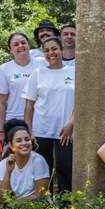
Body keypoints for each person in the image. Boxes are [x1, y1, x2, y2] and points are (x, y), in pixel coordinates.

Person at [23, 36, 75, 194]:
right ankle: (45, 202)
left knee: (65, 167)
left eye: (54, 49)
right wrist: (29, 131)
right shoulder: (38, 73)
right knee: (43, 169)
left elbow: (80, 102)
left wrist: (71, 124)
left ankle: (66, 203)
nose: (51, 53)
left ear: (61, 49)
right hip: (41, 130)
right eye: (46, 50)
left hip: (66, 131)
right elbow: (29, 105)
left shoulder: (74, 71)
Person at [0, 32, 46, 143]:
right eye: (16, 44)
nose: (20, 46)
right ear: (10, 49)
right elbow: (0, 103)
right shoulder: (4, 69)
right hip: (14, 121)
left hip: (39, 120)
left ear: (28, 45)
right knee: (16, 158)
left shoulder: (42, 63)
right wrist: (1, 130)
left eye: (23, 43)